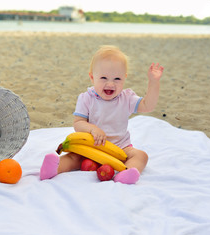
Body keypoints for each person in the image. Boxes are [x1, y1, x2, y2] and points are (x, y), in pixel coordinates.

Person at [40, 45, 164, 184]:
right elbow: (78, 123)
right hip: (92, 146)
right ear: (92, 78)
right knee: (73, 158)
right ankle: (53, 168)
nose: (110, 83)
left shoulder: (126, 98)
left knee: (141, 156)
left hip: (120, 148)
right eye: (103, 78)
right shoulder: (87, 98)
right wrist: (93, 129)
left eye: (117, 79)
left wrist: (154, 83)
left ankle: (125, 173)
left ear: (125, 78)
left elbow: (148, 106)